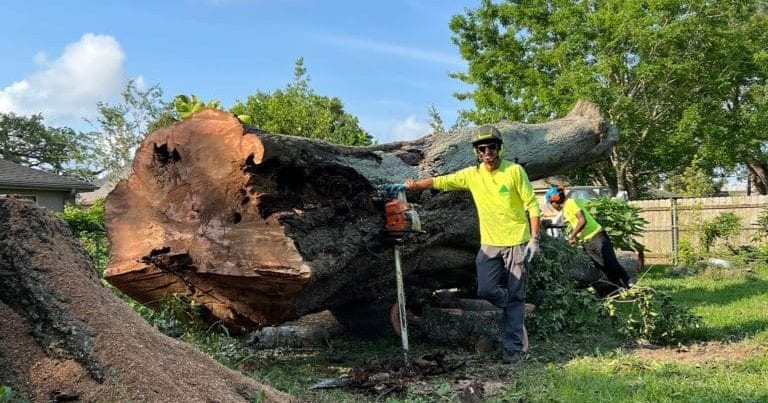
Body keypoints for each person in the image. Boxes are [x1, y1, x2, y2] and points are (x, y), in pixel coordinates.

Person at [398, 124, 541, 365]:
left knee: (516, 295)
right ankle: (512, 305)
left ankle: (512, 351)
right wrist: (413, 186)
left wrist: (535, 239)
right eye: (482, 148)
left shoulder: (514, 171)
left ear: (499, 148)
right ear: (477, 151)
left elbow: (533, 205)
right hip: (489, 245)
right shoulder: (472, 176)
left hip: (517, 242)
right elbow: (442, 181)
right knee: (485, 289)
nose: (488, 152)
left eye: (492, 147)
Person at [545, 186, 632, 291]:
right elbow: (574, 223)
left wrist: (572, 236)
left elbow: (582, 221)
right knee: (601, 266)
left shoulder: (571, 202)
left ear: (555, 200)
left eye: (551, 203)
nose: (552, 206)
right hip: (586, 241)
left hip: (597, 236)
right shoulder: (565, 209)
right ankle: (618, 288)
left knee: (610, 263)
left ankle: (629, 283)